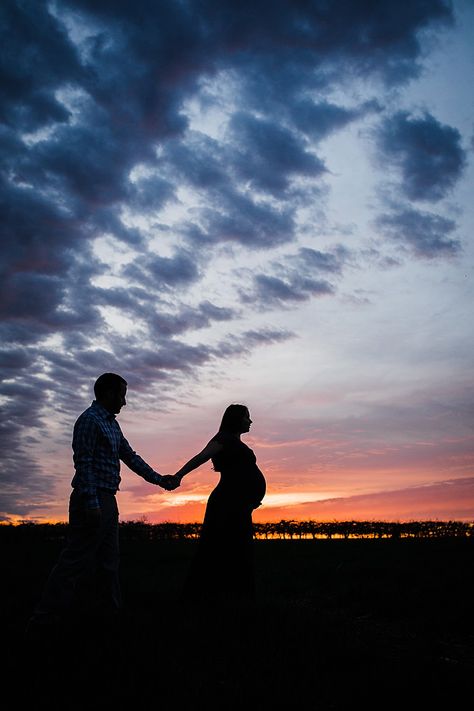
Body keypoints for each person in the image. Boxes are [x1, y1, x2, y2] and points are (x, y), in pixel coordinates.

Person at [28, 372, 177, 629]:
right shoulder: (89, 421)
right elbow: (83, 463)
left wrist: (159, 479)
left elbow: (130, 456)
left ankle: (110, 614)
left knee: (110, 561)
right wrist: (92, 503)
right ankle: (44, 619)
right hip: (93, 498)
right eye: (121, 395)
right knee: (73, 561)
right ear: (108, 393)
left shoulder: (112, 424)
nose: (124, 402)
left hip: (108, 498)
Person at [172, 404, 266, 603]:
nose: (250, 421)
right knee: (221, 548)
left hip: (238, 504)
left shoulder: (235, 441)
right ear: (236, 419)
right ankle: (211, 598)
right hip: (226, 503)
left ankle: (235, 597)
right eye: (247, 417)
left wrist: (251, 498)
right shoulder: (223, 439)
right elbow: (202, 457)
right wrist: (179, 475)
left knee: (239, 549)